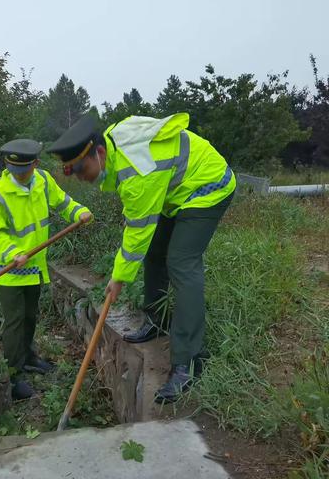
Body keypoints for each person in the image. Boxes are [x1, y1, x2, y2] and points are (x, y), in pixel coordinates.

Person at [47, 113, 235, 402]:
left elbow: (137, 230)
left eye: (81, 168)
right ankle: (158, 320)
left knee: (181, 263)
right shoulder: (115, 147)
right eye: (71, 171)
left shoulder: (135, 173)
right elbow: (140, 218)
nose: (81, 178)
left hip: (207, 187)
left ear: (99, 153)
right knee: (155, 251)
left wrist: (119, 277)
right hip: (176, 192)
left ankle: (189, 361)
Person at [0, 139, 92, 399]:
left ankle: (28, 356)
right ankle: (13, 374)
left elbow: (63, 203)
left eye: (24, 171)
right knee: (15, 322)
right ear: (7, 166)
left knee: (31, 316)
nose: (20, 176)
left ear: (35, 165)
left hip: (34, 266)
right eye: (14, 171)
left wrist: (80, 213)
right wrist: (13, 253)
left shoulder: (42, 181)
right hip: (8, 270)